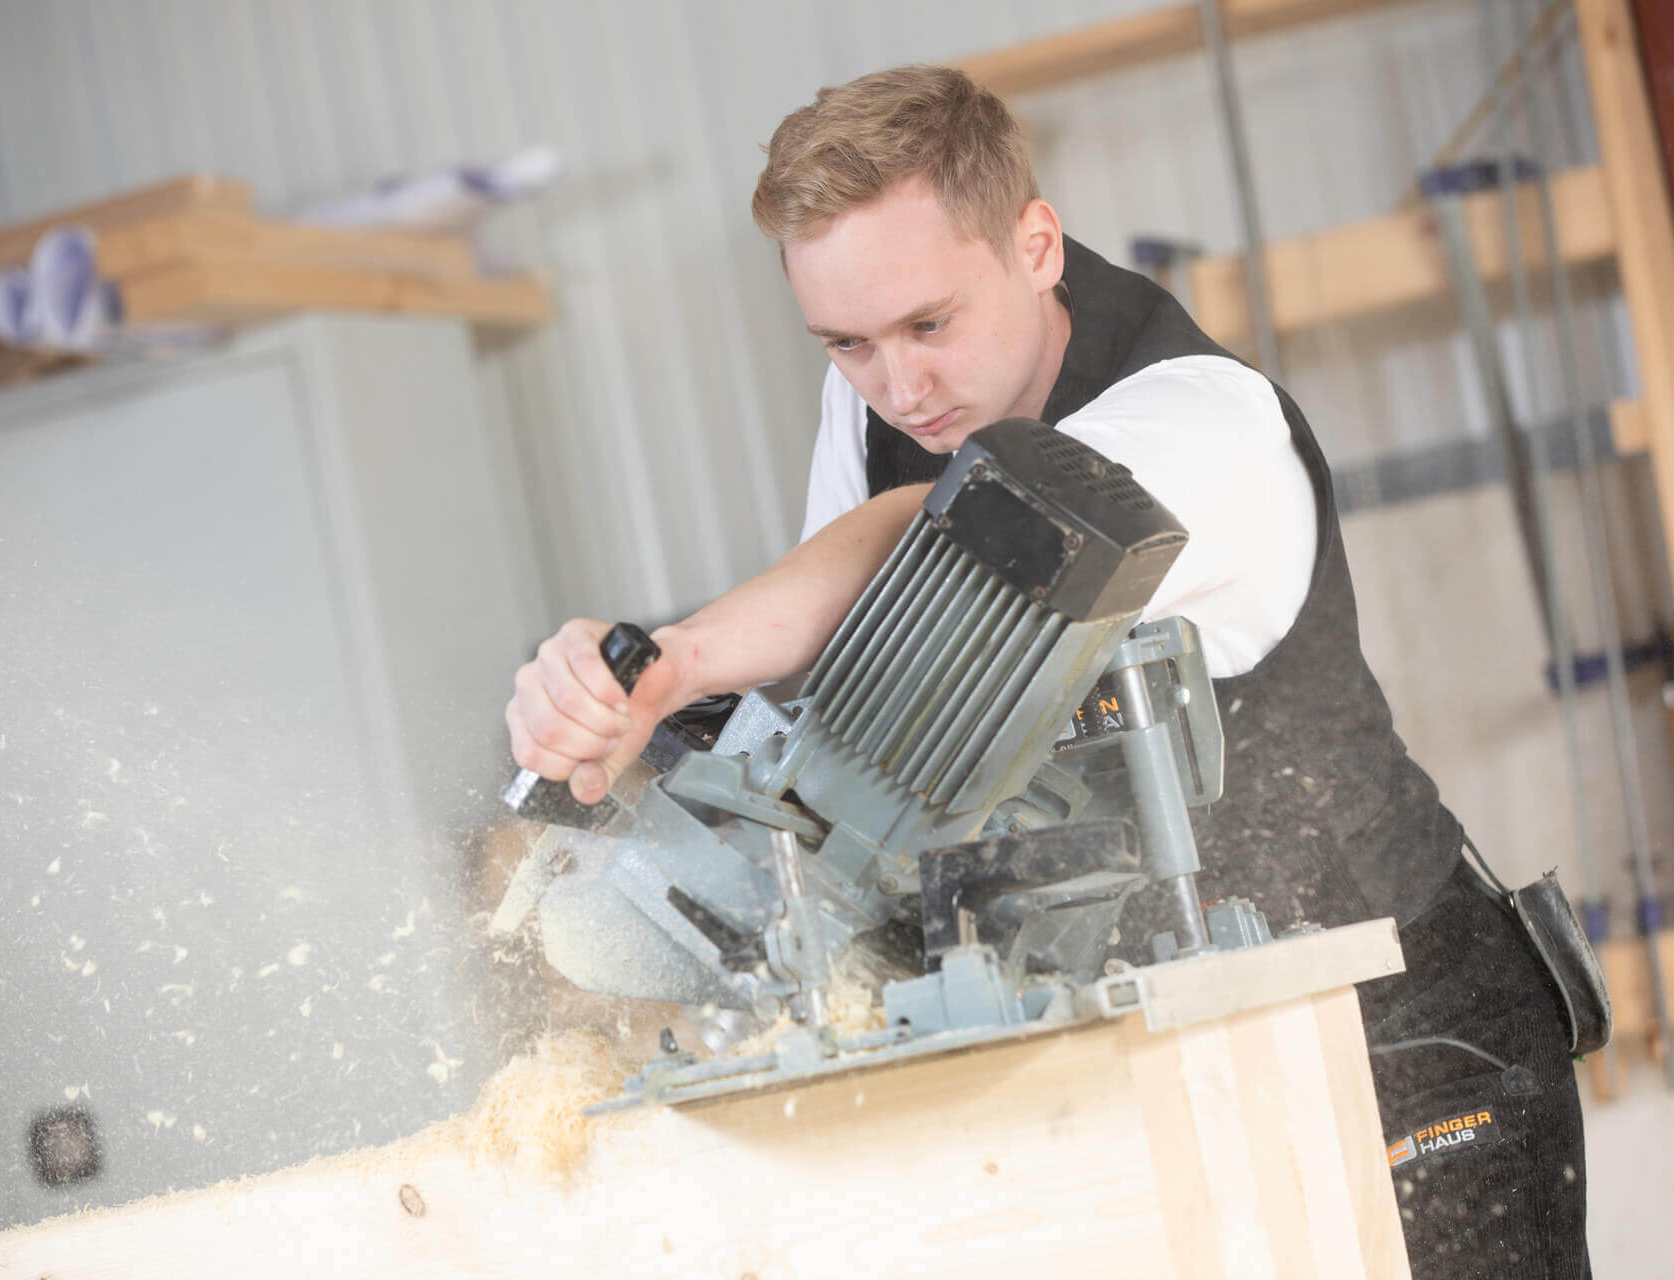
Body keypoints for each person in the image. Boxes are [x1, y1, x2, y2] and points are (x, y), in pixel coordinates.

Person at [505, 64, 1589, 1277]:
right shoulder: (880, 398)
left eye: (929, 323)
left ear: (1035, 243)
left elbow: (955, 534)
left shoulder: (1202, 421)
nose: (899, 384)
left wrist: (687, 650)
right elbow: (830, 698)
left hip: (1401, 1035)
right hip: (1164, 1049)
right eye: (848, 342)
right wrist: (633, 700)